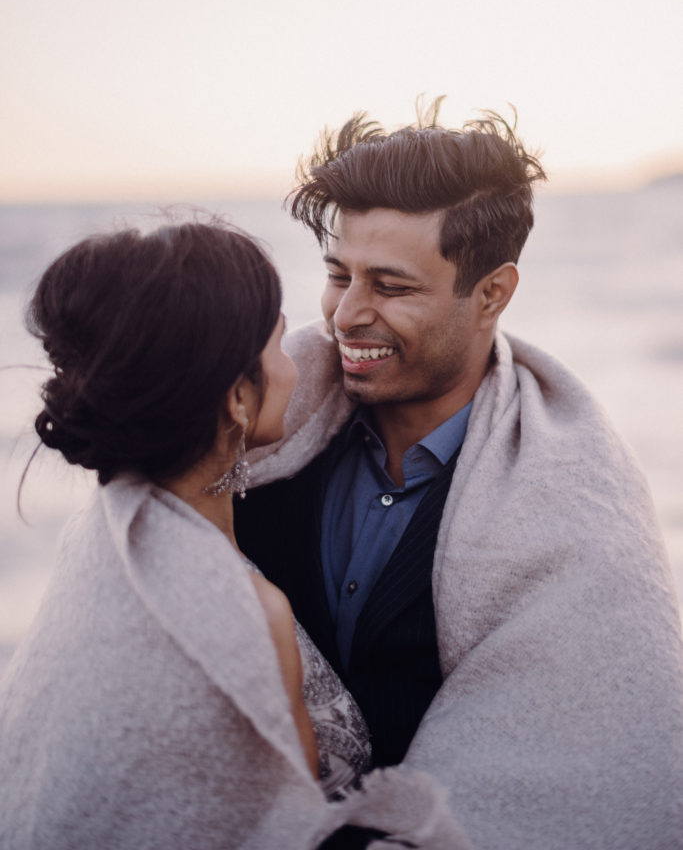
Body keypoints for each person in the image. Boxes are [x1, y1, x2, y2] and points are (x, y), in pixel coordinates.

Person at [235, 107, 683, 850]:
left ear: (492, 294)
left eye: (391, 286)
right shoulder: (259, 441)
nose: (347, 315)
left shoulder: (574, 518)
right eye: (338, 276)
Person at [0, 219, 471, 850]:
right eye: (280, 347)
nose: (305, 362)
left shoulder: (105, 540)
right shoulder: (246, 610)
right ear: (235, 401)